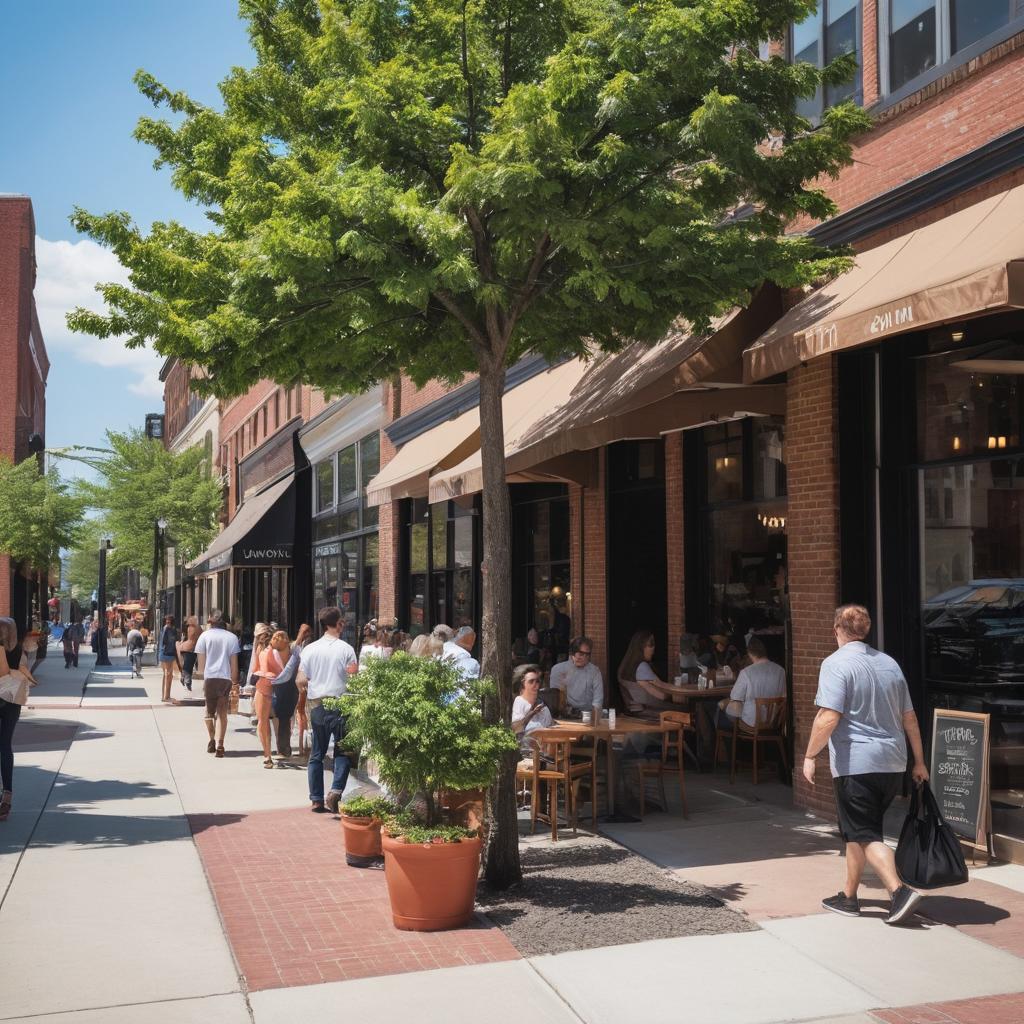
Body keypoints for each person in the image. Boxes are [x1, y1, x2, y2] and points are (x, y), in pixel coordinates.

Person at [804, 604, 929, 926]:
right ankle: (848, 896)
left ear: (836, 629)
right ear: (866, 629)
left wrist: (809, 755)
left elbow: (829, 716)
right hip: (893, 761)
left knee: (865, 833)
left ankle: (899, 891)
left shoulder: (836, 664)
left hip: (857, 762)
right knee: (859, 830)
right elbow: (910, 717)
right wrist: (919, 761)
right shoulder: (889, 664)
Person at [300, 606, 357, 813]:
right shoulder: (346, 649)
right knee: (342, 751)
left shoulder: (310, 649)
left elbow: (300, 679)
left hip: (317, 704)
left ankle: (316, 799)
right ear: (338, 623)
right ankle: (335, 791)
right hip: (340, 703)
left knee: (317, 752)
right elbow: (353, 678)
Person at [706, 637, 786, 733]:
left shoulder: (747, 672)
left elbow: (735, 697)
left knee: (721, 708)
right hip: (774, 722)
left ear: (750, 653)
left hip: (751, 723)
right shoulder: (781, 671)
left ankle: (724, 744)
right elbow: (784, 696)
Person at [0, 618, 37, 822]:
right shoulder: (18, 649)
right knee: (5, 746)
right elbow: (24, 667)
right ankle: (7, 797)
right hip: (13, 699)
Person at [194, 610, 241, 758]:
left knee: (209, 712)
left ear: (211, 621)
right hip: (225, 678)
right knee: (222, 713)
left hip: (210, 677)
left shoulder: (204, 636)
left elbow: (200, 667)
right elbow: (234, 663)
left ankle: (212, 738)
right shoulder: (232, 638)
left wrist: (203, 678)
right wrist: (235, 682)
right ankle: (221, 744)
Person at [253, 629, 300, 768]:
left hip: (269, 687)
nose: (278, 639)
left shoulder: (271, 652)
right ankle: (271, 752)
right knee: (271, 720)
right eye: (276, 637)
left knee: (266, 721)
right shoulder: (286, 652)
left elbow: (258, 670)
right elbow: (257, 669)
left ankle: (269, 754)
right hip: (273, 687)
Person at [618, 631, 676, 712]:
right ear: (641, 647)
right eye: (651, 644)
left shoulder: (624, 666)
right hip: (652, 711)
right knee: (687, 709)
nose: (654, 648)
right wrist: (679, 692)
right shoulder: (642, 667)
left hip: (635, 710)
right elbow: (662, 695)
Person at [550, 636, 604, 713]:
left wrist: (594, 717)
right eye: (581, 654)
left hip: (589, 714)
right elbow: (555, 699)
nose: (584, 657)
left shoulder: (595, 671)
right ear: (572, 653)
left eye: (587, 654)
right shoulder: (558, 669)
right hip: (565, 714)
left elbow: (598, 700)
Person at [511, 664, 553, 755]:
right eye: (531, 682)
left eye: (537, 681)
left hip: (544, 752)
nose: (535, 685)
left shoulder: (543, 706)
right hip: (525, 752)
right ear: (522, 684)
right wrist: (532, 713)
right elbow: (516, 729)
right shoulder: (519, 701)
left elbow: (551, 728)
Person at [158, 615, 179, 703]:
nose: (168, 623)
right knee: (168, 674)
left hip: (169, 654)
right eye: (167, 622)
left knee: (168, 675)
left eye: (169, 622)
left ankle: (165, 696)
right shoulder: (166, 629)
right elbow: (164, 643)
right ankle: (166, 696)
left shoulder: (172, 630)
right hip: (166, 654)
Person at [178, 615, 200, 692]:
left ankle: (184, 677)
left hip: (184, 648)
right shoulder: (195, 628)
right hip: (190, 649)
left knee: (186, 665)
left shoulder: (188, 628)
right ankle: (187, 681)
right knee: (189, 666)